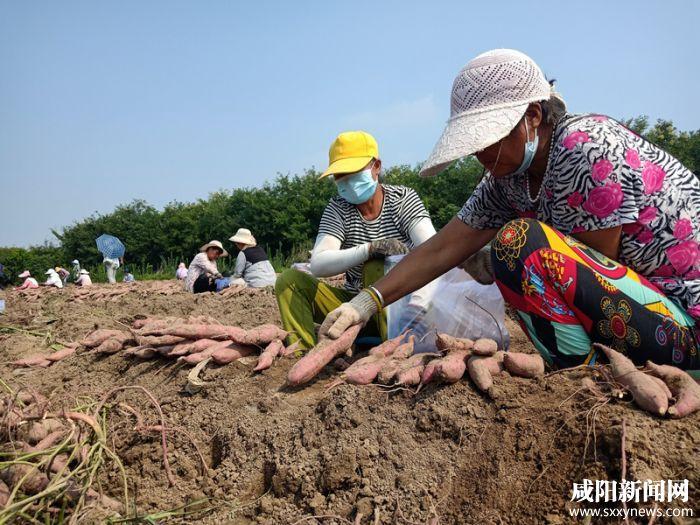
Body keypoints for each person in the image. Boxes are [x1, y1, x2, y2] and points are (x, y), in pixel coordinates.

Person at [318, 49, 699, 372]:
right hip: (643, 317)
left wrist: (501, 260)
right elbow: (441, 248)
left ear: (533, 116)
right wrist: (364, 303)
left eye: (492, 139)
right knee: (514, 249)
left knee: (518, 243)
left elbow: (597, 267)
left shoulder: (586, 146)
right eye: (476, 144)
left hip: (684, 322)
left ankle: (587, 372)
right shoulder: (507, 178)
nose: (482, 155)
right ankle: (579, 370)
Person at [275, 131, 437, 349]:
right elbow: (319, 264)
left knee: (378, 265)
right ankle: (303, 353)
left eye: (353, 172)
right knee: (290, 280)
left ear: (376, 167)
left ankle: (392, 349)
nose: (347, 182)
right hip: (351, 311)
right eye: (340, 176)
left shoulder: (402, 199)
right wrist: (369, 249)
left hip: (403, 308)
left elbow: (432, 247)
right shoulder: (338, 209)